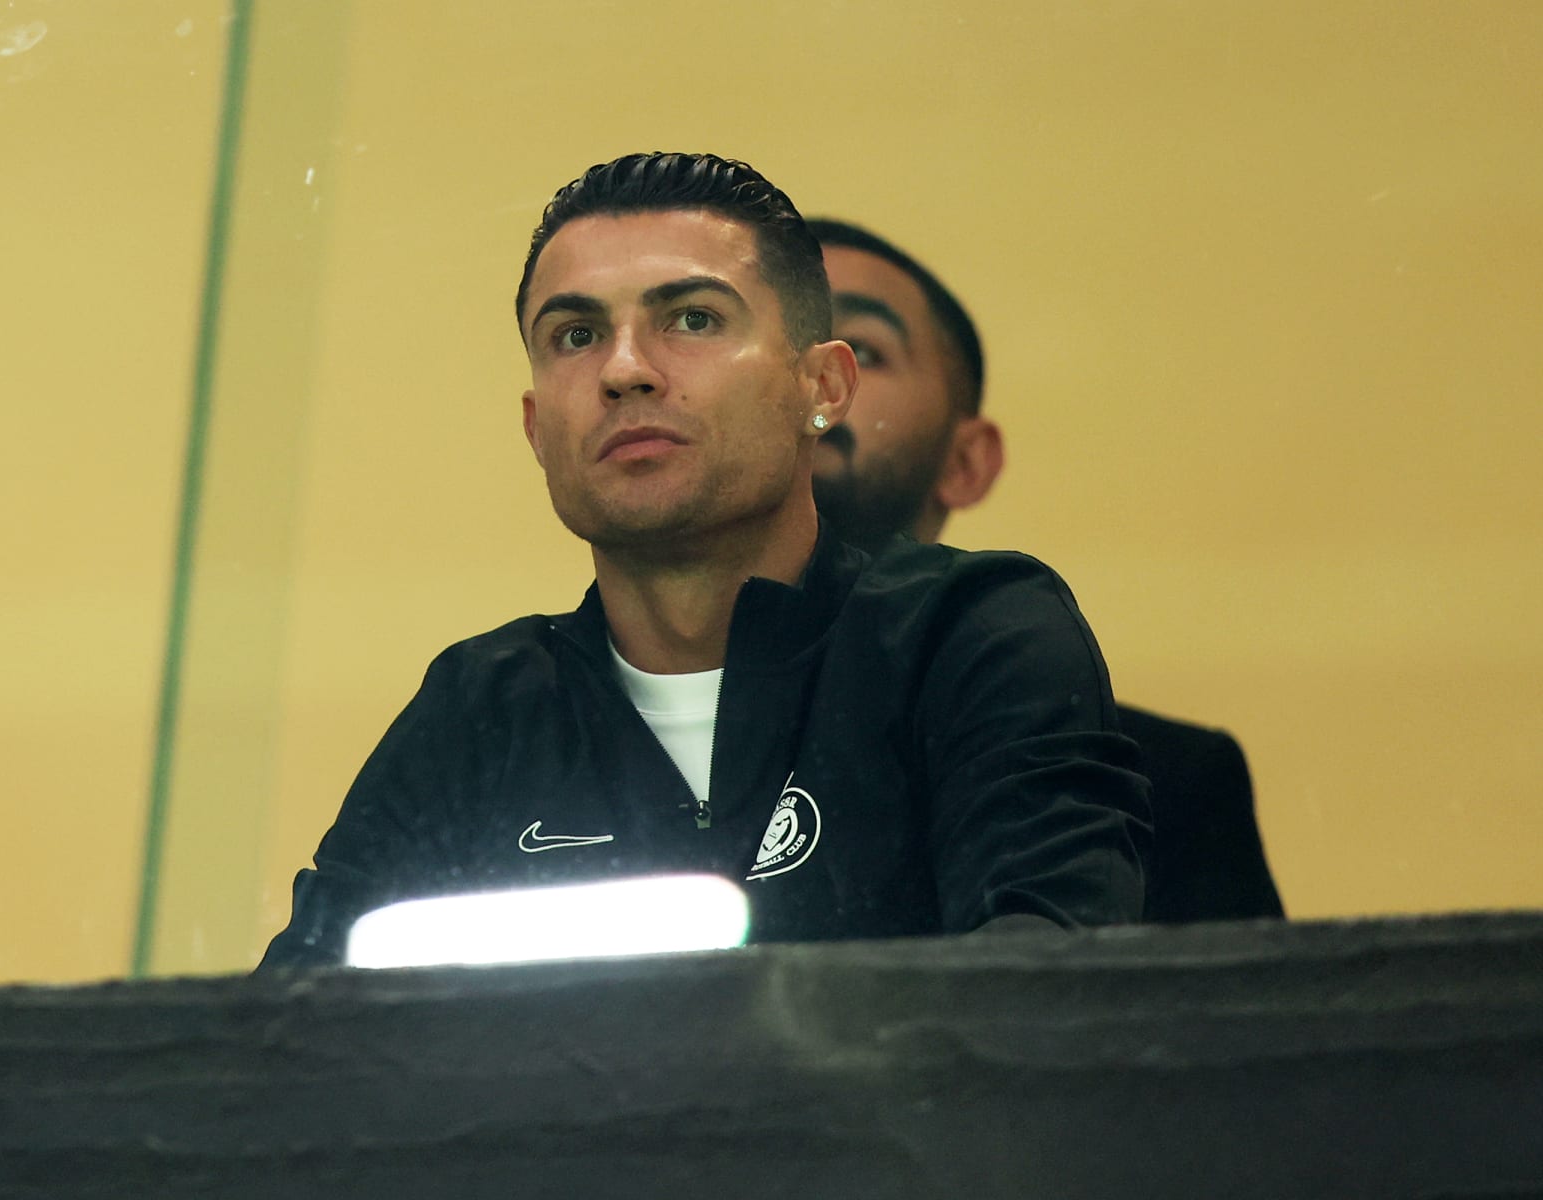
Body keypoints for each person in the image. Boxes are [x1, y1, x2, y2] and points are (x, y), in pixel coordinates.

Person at [260, 153, 1150, 968]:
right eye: (574, 335)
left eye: (691, 319)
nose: (625, 370)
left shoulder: (967, 633)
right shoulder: (480, 711)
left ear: (823, 387)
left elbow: (1049, 998)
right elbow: (289, 1049)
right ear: (537, 430)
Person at [806, 217, 1283, 923]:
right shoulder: (593, 728)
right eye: (774, 346)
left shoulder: (1163, 786)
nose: (812, 382)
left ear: (965, 462)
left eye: (864, 353)